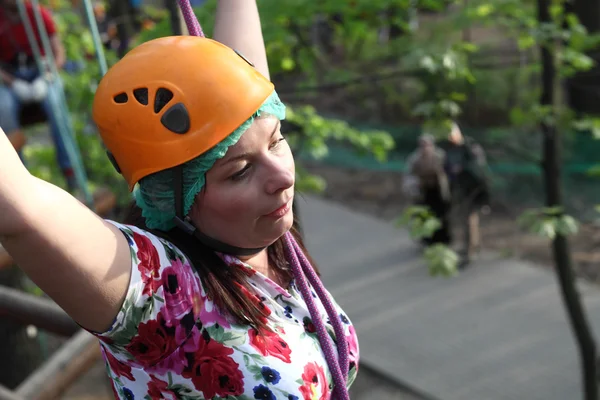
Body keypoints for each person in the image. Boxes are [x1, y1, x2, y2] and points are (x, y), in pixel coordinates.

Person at [0, 1, 359, 399]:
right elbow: (20, 209)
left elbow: (244, 79)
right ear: (175, 201)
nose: (283, 176)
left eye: (277, 141)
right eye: (239, 172)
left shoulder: (256, 231)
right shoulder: (163, 297)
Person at [0, 0, 77, 191]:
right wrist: (13, 83)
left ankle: (70, 170)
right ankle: (18, 179)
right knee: (4, 108)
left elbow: (59, 52)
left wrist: (47, 77)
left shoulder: (36, 13)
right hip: (11, 78)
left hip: (42, 73)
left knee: (55, 104)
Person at [440, 122, 490, 267]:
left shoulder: (470, 147)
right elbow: (446, 166)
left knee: (470, 219)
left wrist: (462, 168)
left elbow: (479, 167)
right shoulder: (450, 149)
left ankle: (470, 251)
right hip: (458, 189)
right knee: (461, 219)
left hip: (472, 189)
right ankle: (471, 246)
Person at [405, 134, 452, 246]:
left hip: (439, 190)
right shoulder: (415, 159)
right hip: (423, 191)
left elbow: (448, 171)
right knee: (425, 215)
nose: (425, 148)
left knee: (441, 214)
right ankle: (427, 238)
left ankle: (443, 238)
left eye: (428, 145)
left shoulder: (440, 156)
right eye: (423, 146)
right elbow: (409, 176)